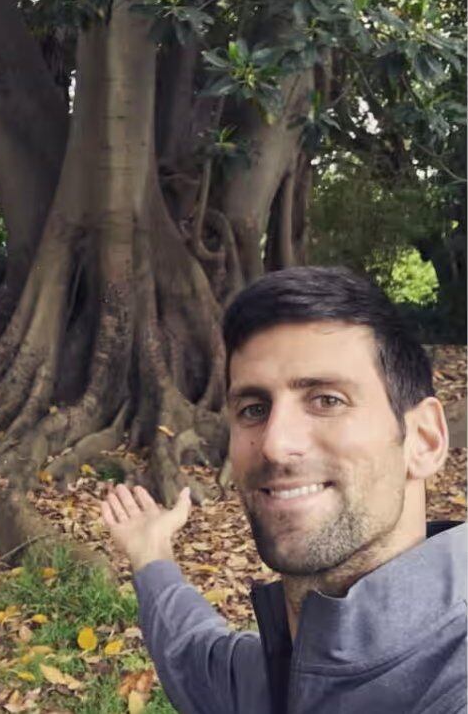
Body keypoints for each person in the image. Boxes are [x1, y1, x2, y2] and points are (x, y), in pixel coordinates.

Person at [101, 266, 466, 714]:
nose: (274, 445)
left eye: (327, 400)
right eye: (253, 409)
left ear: (424, 440)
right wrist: (150, 553)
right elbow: (192, 654)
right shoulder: (273, 676)